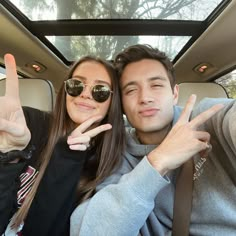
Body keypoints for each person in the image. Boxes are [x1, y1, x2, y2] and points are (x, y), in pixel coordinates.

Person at [70, 44, 236, 236]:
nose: (145, 98)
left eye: (156, 85)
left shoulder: (210, 118)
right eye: (131, 90)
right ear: (121, 104)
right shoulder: (116, 154)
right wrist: (158, 161)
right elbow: (88, 231)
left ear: (174, 94)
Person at [0, 53, 125, 235]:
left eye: (100, 91)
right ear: (65, 91)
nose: (85, 94)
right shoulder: (28, 124)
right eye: (76, 85)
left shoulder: (108, 163)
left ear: (112, 102)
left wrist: (68, 156)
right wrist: (7, 156)